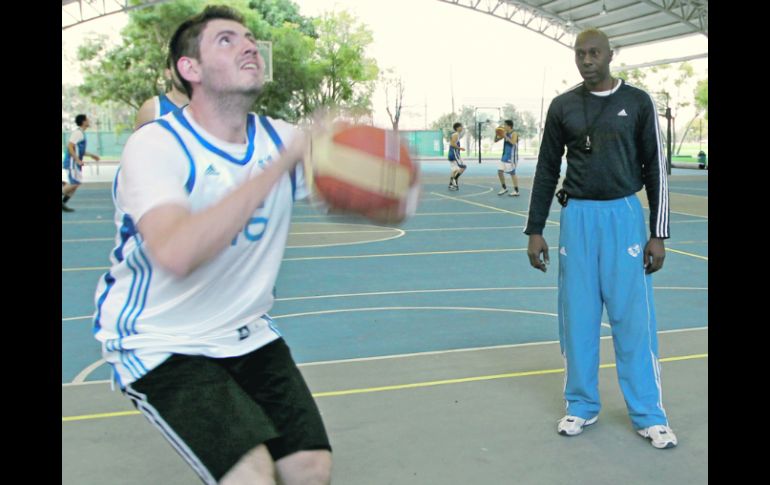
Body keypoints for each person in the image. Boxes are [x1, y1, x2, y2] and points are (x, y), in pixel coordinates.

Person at [92, 6, 332, 484]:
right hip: (162, 340)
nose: (247, 45)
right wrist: (275, 168)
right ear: (190, 69)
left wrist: (382, 178)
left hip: (245, 331)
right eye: (226, 40)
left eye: (248, 38)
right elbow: (178, 252)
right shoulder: (157, 146)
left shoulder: (280, 137)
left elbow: (361, 194)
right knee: (251, 475)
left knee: (310, 468)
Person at [524, 28, 677, 449]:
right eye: (580, 53)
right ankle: (581, 405)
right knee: (578, 317)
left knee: (633, 322)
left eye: (595, 53)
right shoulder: (563, 107)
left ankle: (649, 414)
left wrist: (657, 234)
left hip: (624, 216)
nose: (587, 59)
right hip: (577, 218)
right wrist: (535, 228)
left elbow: (655, 170)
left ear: (611, 55)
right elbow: (545, 170)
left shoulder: (637, 102)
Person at [134, 55, 190, 130]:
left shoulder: (209, 108)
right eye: (179, 67)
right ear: (168, 74)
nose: (185, 72)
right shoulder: (152, 109)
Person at [62, 114, 100, 212]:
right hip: (72, 162)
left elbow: (80, 150)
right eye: (87, 119)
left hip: (75, 162)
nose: (89, 121)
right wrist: (77, 159)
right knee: (75, 183)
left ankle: (63, 203)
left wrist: (92, 155)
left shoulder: (82, 133)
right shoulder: (78, 133)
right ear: (83, 122)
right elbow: (70, 146)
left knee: (75, 184)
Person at [493, 119, 519, 196]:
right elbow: (495, 140)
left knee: (512, 173)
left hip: (511, 156)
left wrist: (505, 136)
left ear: (509, 126)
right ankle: (504, 188)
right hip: (504, 156)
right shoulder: (505, 133)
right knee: (499, 172)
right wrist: (497, 133)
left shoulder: (514, 133)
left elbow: (513, 142)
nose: (504, 126)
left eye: (505, 125)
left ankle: (516, 190)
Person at [447, 122, 466, 190]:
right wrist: (460, 148)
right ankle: (454, 180)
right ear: (457, 128)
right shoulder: (455, 135)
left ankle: (451, 184)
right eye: (461, 126)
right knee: (463, 167)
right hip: (454, 154)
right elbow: (452, 144)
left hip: (452, 154)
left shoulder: (456, 135)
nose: (462, 128)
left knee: (454, 170)